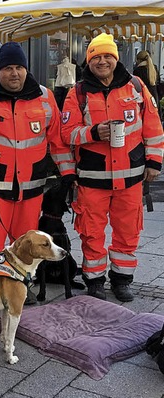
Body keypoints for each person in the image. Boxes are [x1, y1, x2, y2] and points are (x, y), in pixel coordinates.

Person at [0, 42, 76, 304]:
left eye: (19, 67)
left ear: (26, 69)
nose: (14, 73)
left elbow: (57, 140)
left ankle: (20, 288)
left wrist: (68, 175)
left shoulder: (45, 97)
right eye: (8, 68)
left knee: (26, 247)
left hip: (31, 189)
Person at [61, 33, 164, 302]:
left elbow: (153, 129)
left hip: (131, 179)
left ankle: (121, 280)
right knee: (91, 233)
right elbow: (66, 133)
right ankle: (95, 280)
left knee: (127, 232)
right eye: (96, 57)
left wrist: (154, 162)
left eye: (107, 56)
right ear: (89, 60)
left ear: (116, 58)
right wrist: (94, 132)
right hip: (92, 180)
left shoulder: (136, 86)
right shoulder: (78, 92)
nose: (102, 61)